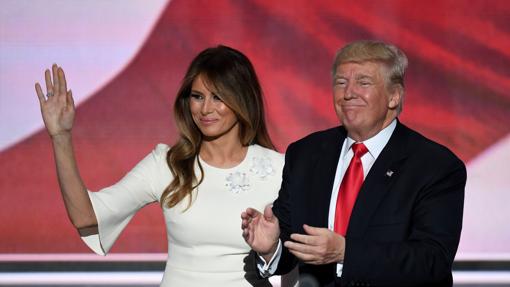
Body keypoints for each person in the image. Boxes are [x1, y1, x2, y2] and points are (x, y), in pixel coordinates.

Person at [35, 45, 285, 287]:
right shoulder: (167, 164)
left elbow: (301, 258)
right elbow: (87, 216)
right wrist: (60, 137)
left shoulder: (280, 169)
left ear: (242, 100)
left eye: (218, 97)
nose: (206, 108)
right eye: (197, 97)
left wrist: (273, 249)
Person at [241, 40, 466, 287]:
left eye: (363, 82)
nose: (348, 93)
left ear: (394, 96)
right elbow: (292, 243)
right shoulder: (305, 154)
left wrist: (345, 253)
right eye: (341, 82)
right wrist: (271, 248)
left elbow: (431, 261)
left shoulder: (435, 166)